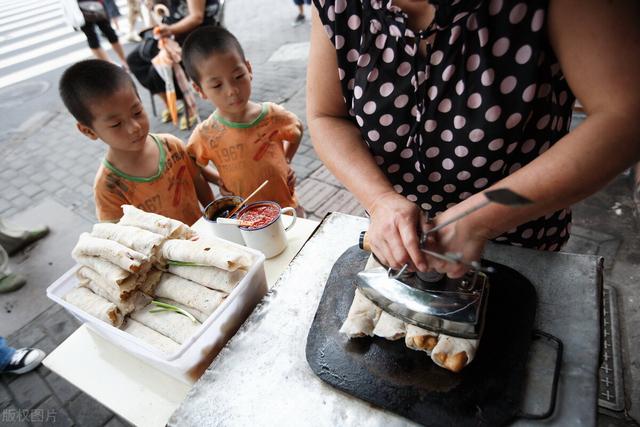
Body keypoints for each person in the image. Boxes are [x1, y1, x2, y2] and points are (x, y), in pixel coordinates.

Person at [307, 0, 640, 277]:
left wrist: (480, 219)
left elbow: (625, 117)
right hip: (398, 244)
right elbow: (327, 116)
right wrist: (379, 200)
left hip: (518, 244)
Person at [58, 59, 214, 224]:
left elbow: (198, 180)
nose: (134, 127)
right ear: (88, 131)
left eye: (137, 112)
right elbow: (121, 236)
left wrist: (215, 219)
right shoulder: (109, 188)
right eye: (116, 124)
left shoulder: (171, 145)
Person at [182, 26, 305, 216]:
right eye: (217, 85)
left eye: (238, 76)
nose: (232, 90)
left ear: (248, 69)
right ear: (200, 90)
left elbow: (297, 129)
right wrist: (217, 181)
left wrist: (286, 160)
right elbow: (192, 163)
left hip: (286, 207)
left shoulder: (272, 115)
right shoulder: (205, 134)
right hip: (245, 217)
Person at [126, 0, 223, 130]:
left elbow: (197, 17)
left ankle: (189, 105)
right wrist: (152, 6)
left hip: (197, 32)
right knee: (135, 60)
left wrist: (170, 30)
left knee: (159, 66)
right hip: (172, 33)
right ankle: (169, 101)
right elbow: (160, 14)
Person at [77, 0, 129, 68]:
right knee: (93, 37)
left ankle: (123, 62)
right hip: (80, 9)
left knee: (109, 33)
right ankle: (109, 66)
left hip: (96, 5)